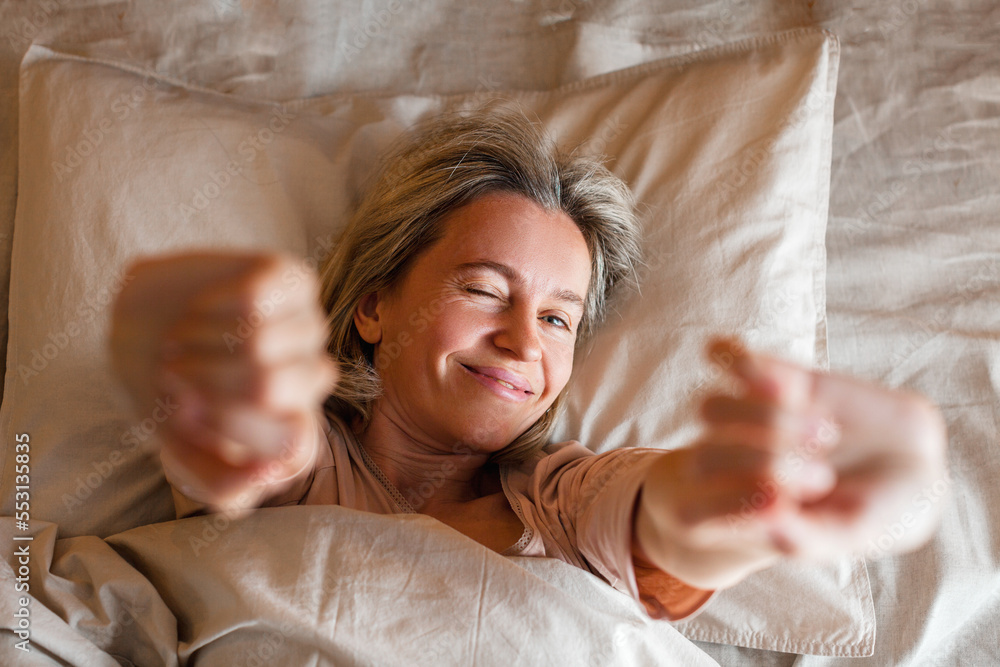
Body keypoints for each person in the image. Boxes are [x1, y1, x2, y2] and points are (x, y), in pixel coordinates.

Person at [109, 106, 948, 621]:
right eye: (483, 289)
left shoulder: (561, 500)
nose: (523, 339)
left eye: (558, 317)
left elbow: (680, 515)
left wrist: (787, 484)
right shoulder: (311, 466)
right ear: (374, 305)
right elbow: (258, 440)